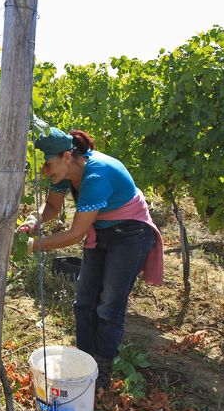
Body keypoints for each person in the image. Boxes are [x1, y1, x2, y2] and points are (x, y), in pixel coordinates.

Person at [20, 127, 164, 389]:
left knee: (109, 303)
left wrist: (33, 245)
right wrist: (34, 219)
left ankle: (102, 371)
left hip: (131, 235)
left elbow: (76, 233)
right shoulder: (64, 172)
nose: (45, 172)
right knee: (84, 301)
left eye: (48, 165)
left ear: (66, 156)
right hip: (102, 231)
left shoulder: (97, 175)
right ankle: (85, 363)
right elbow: (52, 206)